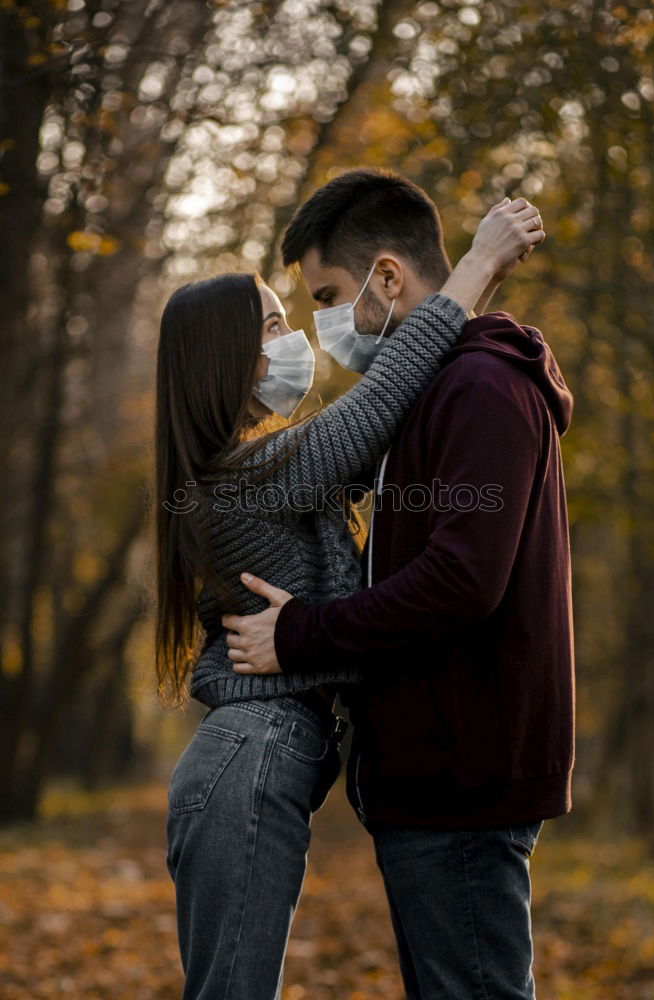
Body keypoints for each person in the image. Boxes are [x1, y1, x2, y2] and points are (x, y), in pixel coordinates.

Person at [155, 175, 545, 999]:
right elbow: (377, 409)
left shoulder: (265, 467)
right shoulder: (249, 476)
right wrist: (473, 271)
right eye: (277, 324)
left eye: (310, 308)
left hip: (272, 755)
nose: (304, 336)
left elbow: (401, 422)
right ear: (232, 360)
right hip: (251, 754)